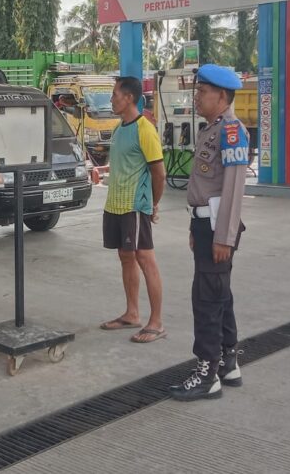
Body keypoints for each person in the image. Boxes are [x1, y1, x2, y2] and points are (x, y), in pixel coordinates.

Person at [169, 64, 248, 402]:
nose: (196, 97)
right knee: (220, 295)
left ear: (222, 96)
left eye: (202, 92)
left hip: (218, 226)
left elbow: (233, 190)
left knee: (206, 300)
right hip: (205, 224)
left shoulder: (231, 132)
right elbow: (203, 187)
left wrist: (223, 238)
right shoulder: (211, 130)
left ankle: (207, 373)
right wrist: (195, 227)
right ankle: (228, 362)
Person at [99, 76, 167, 344]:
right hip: (115, 206)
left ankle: (157, 322)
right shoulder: (119, 128)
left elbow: (159, 173)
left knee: (145, 259)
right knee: (125, 257)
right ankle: (132, 313)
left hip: (134, 207)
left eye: (115, 94)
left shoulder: (144, 129)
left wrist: (152, 204)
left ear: (129, 98)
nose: (111, 99)